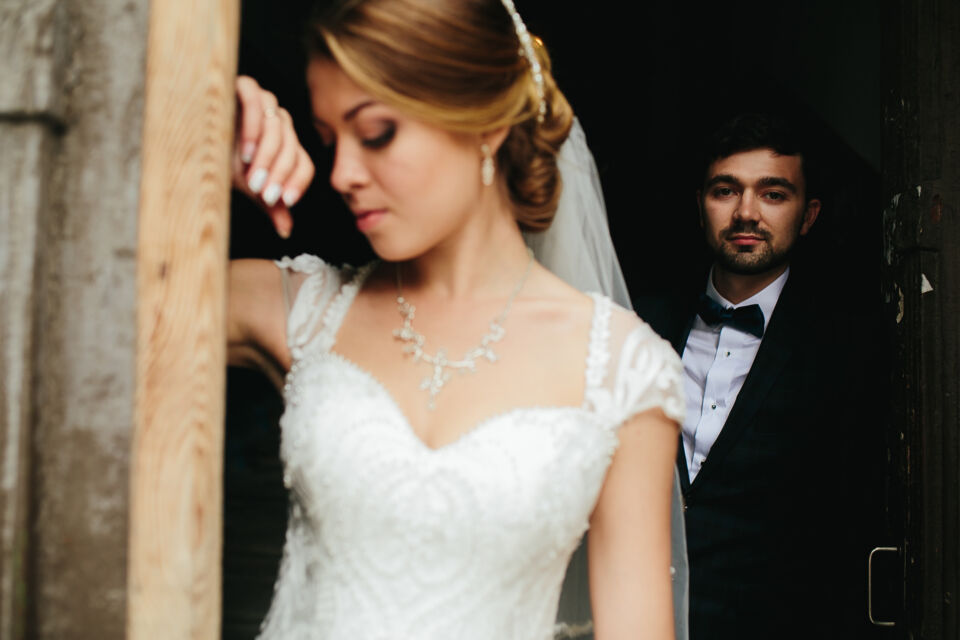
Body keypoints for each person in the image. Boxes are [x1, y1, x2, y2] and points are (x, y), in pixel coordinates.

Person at [226, 0, 686, 638]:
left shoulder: (623, 371)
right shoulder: (301, 309)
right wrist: (205, 133)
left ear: (486, 124)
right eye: (330, 141)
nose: (342, 174)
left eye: (377, 132)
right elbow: (93, 312)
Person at [636, 114, 873, 639]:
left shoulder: (846, 349)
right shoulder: (637, 324)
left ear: (808, 215)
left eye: (773, 194)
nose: (746, 213)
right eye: (727, 191)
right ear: (700, 205)